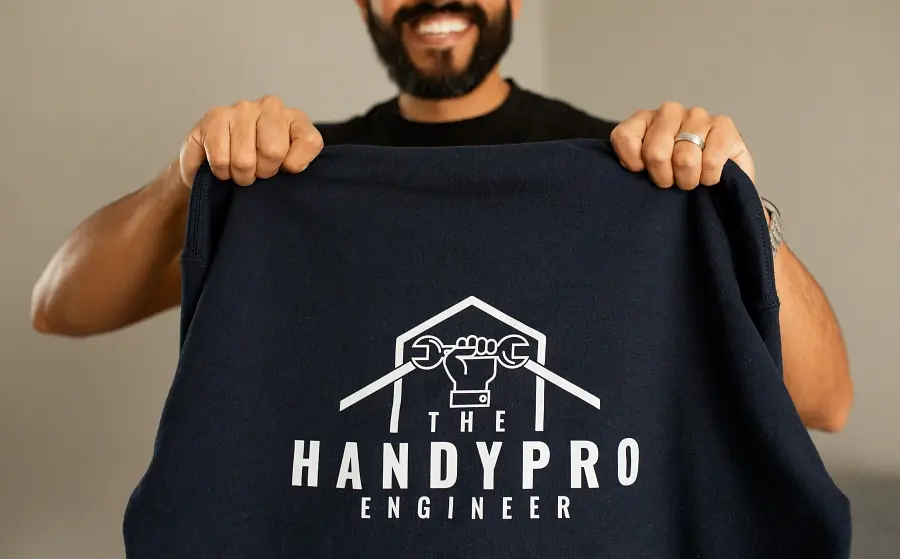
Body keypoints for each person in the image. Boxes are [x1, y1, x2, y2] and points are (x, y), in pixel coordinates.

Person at [30, 0, 853, 432]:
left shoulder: (635, 179)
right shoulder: (289, 183)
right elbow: (61, 307)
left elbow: (826, 403)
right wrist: (183, 183)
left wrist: (738, 207)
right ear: (363, 3)